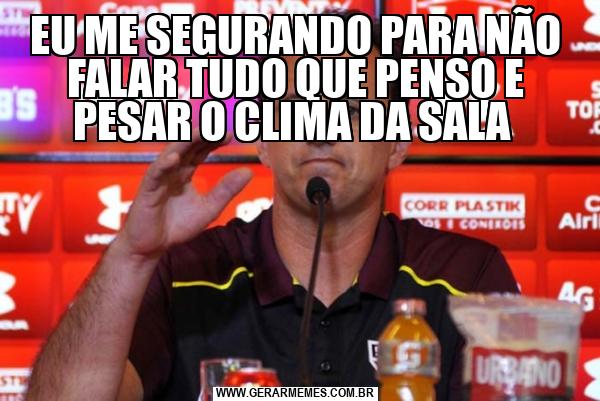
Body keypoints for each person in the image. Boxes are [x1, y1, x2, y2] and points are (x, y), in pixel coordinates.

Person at [25, 20, 519, 401]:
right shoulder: (186, 273)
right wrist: (131, 257)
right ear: (263, 143)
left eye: (350, 109)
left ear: (396, 144)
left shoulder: (467, 277)